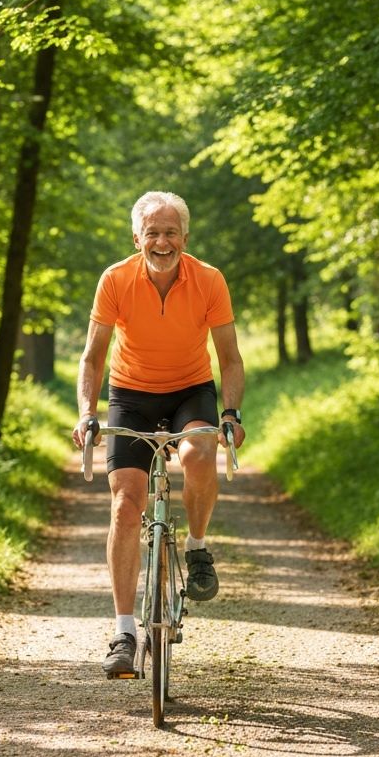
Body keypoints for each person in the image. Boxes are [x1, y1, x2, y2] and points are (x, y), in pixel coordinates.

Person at [72, 191, 246, 678]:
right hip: (131, 391)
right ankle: (124, 631)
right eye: (152, 232)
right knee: (126, 503)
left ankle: (196, 547)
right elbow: (93, 357)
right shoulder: (115, 280)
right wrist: (87, 412)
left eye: (171, 232)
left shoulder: (209, 280)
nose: (162, 241)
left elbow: (230, 357)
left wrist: (230, 412)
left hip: (191, 390)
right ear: (137, 238)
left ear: (185, 238)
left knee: (197, 455)